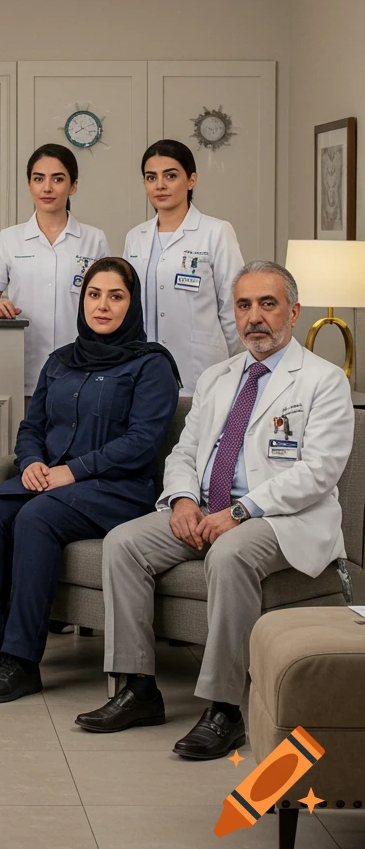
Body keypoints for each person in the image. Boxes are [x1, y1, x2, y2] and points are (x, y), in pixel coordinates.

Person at [75, 261, 355, 759]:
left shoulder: (324, 380)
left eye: (267, 304)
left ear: (294, 313)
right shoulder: (217, 377)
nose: (254, 317)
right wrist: (183, 499)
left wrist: (242, 512)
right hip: (206, 507)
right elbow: (184, 452)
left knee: (229, 555)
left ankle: (225, 709)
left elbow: (319, 471)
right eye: (244, 305)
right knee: (124, 543)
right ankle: (137, 688)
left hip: (280, 517)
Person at [0, 257, 180, 703]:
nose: (102, 306)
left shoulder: (152, 365)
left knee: (36, 518)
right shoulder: (60, 361)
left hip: (117, 490)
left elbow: (142, 442)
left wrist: (73, 470)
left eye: (116, 296)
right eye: (94, 295)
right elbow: (32, 427)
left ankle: (21, 661)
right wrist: (31, 462)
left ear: (133, 304)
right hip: (52, 482)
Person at [0, 143, 110, 398]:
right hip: (24, 367)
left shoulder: (94, 239)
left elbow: (110, 302)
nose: (47, 188)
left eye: (57, 179)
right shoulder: (10, 239)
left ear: (73, 186)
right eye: (39, 179)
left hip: (82, 366)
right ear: (29, 185)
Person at [124, 139, 244, 395]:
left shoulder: (215, 232)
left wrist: (226, 361)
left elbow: (234, 306)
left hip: (201, 367)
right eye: (151, 177)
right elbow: (127, 305)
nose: (160, 185)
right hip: (143, 366)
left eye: (171, 176)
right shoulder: (135, 237)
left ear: (191, 180)